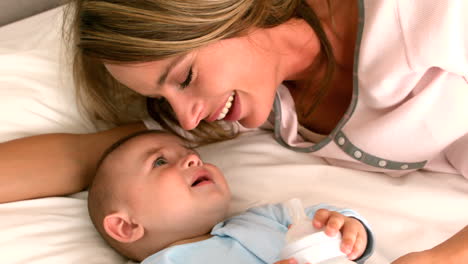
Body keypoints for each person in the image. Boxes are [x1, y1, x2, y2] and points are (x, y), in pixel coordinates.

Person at [0, 0, 466, 263]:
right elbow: (88, 159)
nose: (186, 121)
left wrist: (438, 259)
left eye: (184, 79)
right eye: (165, 100)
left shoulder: (422, 16)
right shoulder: (254, 103)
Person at [88, 130, 374, 263]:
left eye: (193, 155)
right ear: (127, 226)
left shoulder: (263, 217)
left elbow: (314, 218)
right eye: (160, 162)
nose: (191, 159)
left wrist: (348, 227)